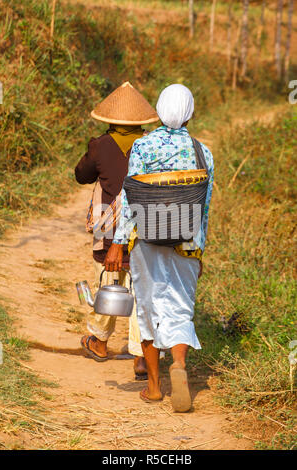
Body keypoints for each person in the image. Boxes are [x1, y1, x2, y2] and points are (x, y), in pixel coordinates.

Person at [104, 84, 214, 411]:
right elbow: (203, 206)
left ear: (159, 109)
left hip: (146, 238)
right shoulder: (202, 151)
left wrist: (118, 244)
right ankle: (178, 366)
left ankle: (154, 387)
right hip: (186, 238)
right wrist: (198, 250)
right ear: (191, 111)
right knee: (180, 305)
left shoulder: (143, 146)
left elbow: (129, 198)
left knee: (148, 308)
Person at [75, 81, 159, 379]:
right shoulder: (151, 145)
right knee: (141, 289)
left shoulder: (100, 145)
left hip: (110, 229)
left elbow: (82, 175)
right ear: (140, 122)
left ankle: (99, 340)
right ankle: (140, 355)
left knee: (112, 282)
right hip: (145, 226)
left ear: (110, 119)